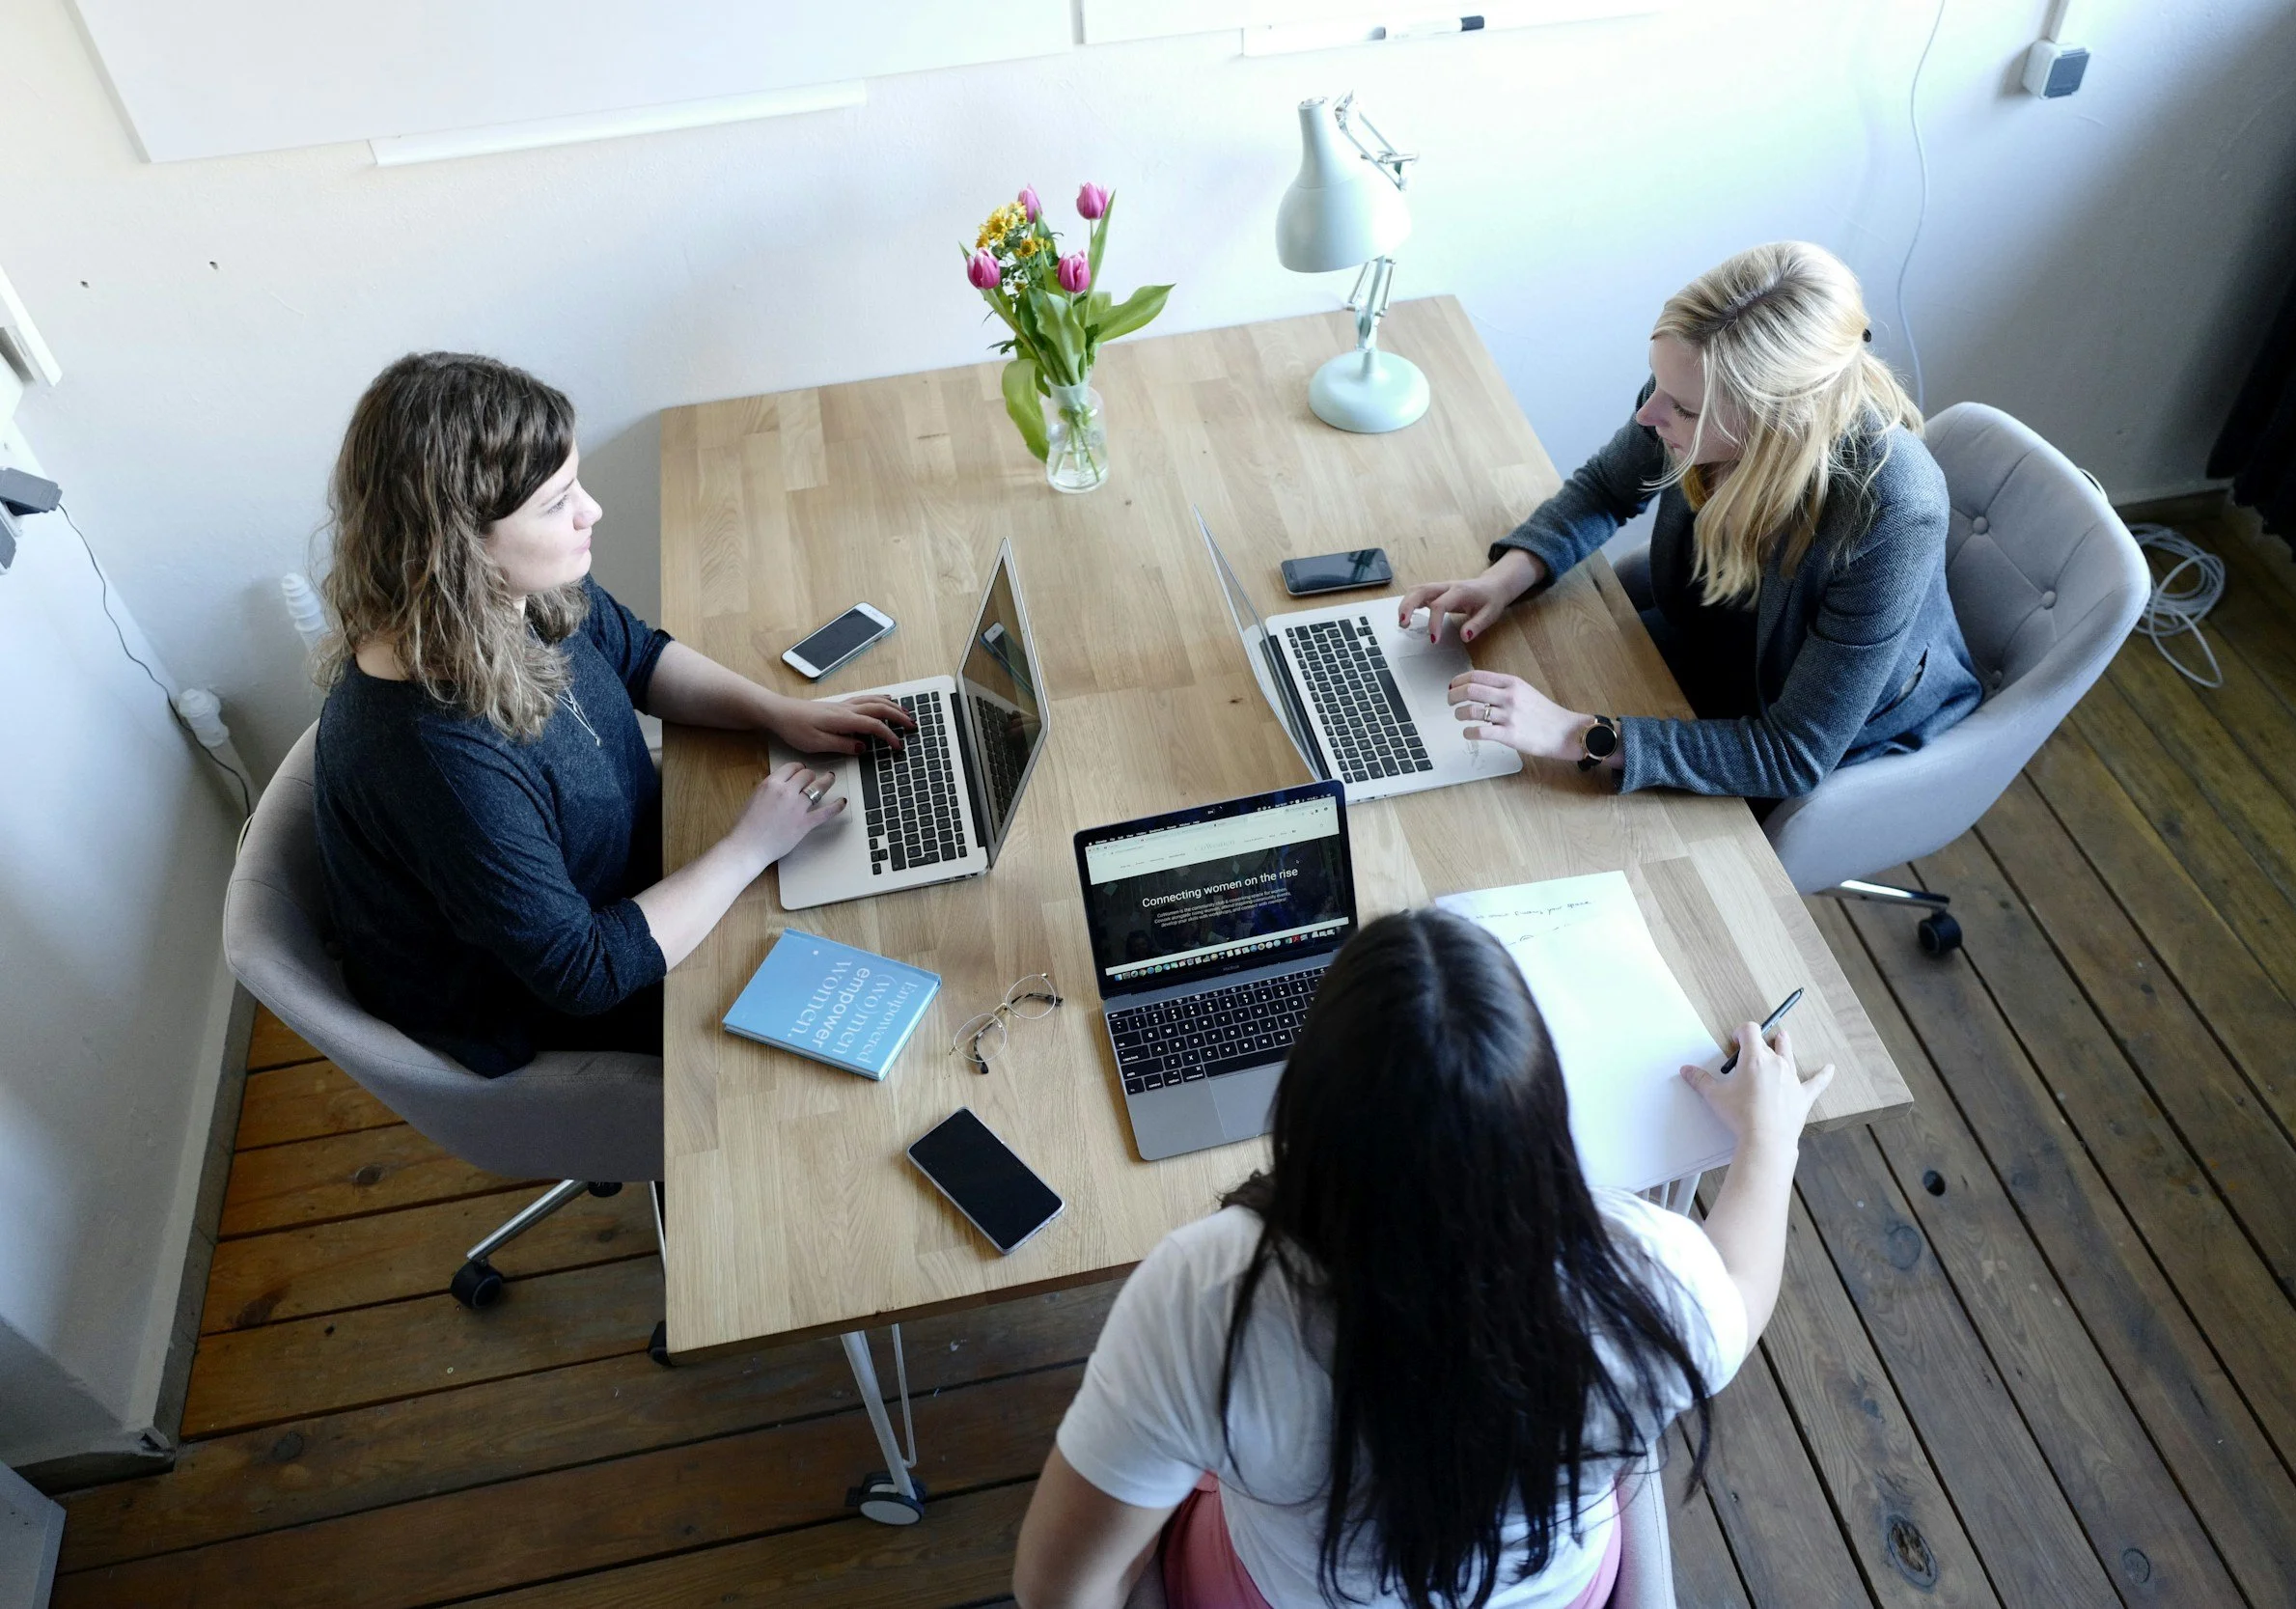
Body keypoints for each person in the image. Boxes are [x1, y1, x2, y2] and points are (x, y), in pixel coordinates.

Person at [1012, 908, 1833, 1609]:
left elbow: (1057, 1587)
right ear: (1543, 1115)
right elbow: (1743, 1289)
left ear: (1308, 1109)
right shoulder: (1645, 1275)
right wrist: (1771, 1136)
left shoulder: (1207, 1295)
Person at [313, 351, 912, 1075]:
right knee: (878, 976)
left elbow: (637, 657)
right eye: (555, 502)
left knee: (877, 883)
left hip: (644, 868)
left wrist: (777, 712)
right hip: (554, 999)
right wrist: (750, 848)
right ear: (457, 547)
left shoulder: (502, 596)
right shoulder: (438, 761)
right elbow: (582, 972)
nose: (590, 511)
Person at [1402, 241, 1981, 806]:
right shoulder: (1688, 388)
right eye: (1658, 385)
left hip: (1808, 718)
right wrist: (1502, 580)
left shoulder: (1892, 513)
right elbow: (1607, 487)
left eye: (1681, 408)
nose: (1648, 415)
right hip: (1714, 632)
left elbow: (1793, 752)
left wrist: (1572, 733)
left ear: (1780, 418)